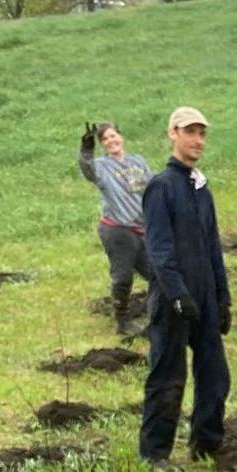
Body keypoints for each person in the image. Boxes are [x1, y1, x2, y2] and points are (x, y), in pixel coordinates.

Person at [139, 106, 231, 466]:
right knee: (167, 375)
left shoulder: (200, 187)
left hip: (204, 296)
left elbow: (212, 247)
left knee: (215, 375)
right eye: (190, 132)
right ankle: (155, 454)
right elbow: (159, 250)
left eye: (202, 133)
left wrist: (222, 297)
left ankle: (206, 445)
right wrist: (178, 295)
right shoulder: (161, 186)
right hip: (172, 299)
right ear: (173, 134)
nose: (198, 140)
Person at [77, 120, 154, 338]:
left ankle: (155, 313)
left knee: (157, 274)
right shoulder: (102, 166)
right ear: (102, 144)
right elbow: (87, 168)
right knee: (123, 276)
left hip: (141, 229)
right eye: (105, 139)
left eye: (113, 136)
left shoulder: (138, 161)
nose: (111, 141)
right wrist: (86, 149)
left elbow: (152, 188)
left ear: (121, 137)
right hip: (117, 230)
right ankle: (123, 320)